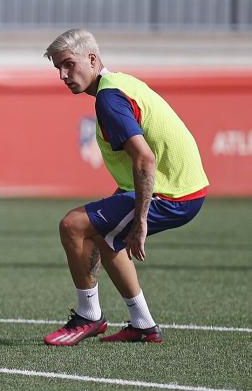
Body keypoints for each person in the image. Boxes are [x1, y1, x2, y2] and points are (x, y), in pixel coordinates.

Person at [42, 29, 209, 346]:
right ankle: (143, 325)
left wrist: (141, 219)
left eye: (68, 65)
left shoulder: (109, 98)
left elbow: (145, 160)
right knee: (104, 235)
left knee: (73, 225)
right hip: (184, 189)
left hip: (173, 193)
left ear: (92, 59)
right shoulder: (118, 84)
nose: (63, 75)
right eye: (57, 69)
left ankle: (89, 316)